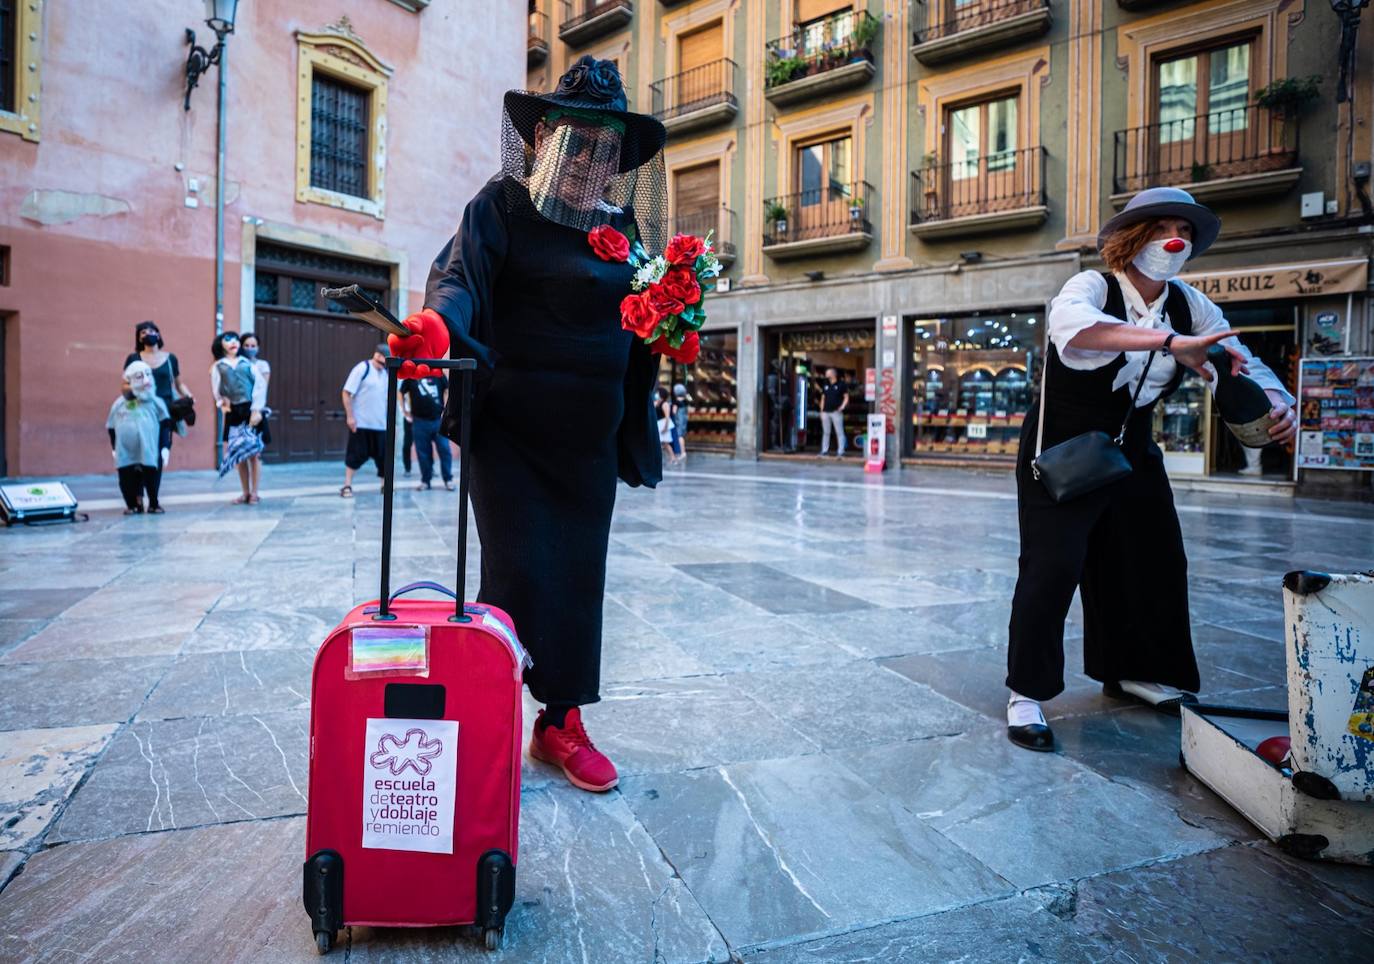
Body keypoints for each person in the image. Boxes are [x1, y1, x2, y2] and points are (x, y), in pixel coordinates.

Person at [387, 56, 667, 792]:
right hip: (511, 437)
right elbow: (458, 281)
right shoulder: (501, 205)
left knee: (577, 580)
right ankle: (490, 718)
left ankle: (559, 724)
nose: (587, 160)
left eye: (603, 148)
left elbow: (642, 316)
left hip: (589, 444)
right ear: (543, 139)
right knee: (515, 576)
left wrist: (673, 319)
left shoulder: (623, 226)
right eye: (576, 141)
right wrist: (436, 328)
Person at [1004, 187, 1298, 752]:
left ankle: (1133, 670)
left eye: (1184, 231)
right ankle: (1026, 692)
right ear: (1132, 238)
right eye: (1163, 227)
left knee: (1153, 556)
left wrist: (1279, 403)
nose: (1175, 239)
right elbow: (1074, 329)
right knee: (1053, 564)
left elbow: (1241, 360)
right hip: (1064, 445)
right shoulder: (1092, 286)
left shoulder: (1190, 303)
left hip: (1132, 444)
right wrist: (1171, 342)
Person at [210, 331, 267, 505]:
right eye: (228, 340)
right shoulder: (218, 366)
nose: (233, 342)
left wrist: (257, 409)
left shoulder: (247, 363)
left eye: (235, 339)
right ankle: (245, 492)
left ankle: (255, 492)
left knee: (254, 454)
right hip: (234, 411)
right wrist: (222, 403)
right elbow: (216, 388)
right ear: (221, 344)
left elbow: (260, 385)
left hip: (251, 409)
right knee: (239, 455)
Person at [125, 321, 194, 464]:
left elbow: (179, 384)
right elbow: (125, 384)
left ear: (158, 335)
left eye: (151, 331)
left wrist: (188, 395)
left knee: (162, 450)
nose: (148, 334)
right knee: (143, 448)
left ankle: (156, 472)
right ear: (139, 338)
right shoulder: (133, 359)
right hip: (142, 409)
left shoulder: (170, 359)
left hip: (166, 410)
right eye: (143, 332)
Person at [108, 360, 169, 514]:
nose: (146, 380)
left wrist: (165, 447)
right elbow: (111, 426)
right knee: (126, 478)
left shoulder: (156, 403)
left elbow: (165, 424)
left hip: (149, 449)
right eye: (139, 376)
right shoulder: (119, 404)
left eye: (148, 375)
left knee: (151, 476)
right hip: (125, 451)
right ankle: (133, 504)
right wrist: (114, 447)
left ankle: (153, 503)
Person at [340, 344, 391, 498]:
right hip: (361, 423)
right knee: (354, 456)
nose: (383, 365)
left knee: (384, 458)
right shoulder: (362, 369)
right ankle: (347, 485)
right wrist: (350, 416)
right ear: (377, 355)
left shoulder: (386, 373)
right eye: (382, 361)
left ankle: (385, 486)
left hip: (381, 425)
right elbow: (346, 392)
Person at [402, 372, 454, 490]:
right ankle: (426, 481)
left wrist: (446, 410)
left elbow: (447, 390)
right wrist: (404, 410)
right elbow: (401, 392)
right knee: (423, 453)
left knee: (445, 450)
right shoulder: (412, 374)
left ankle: (448, 479)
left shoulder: (438, 372)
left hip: (438, 420)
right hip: (419, 421)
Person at [818, 367, 848, 457]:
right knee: (826, 432)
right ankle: (824, 450)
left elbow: (846, 397)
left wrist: (842, 406)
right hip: (825, 412)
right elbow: (823, 398)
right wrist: (821, 411)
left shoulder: (841, 384)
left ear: (833, 374)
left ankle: (841, 451)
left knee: (839, 431)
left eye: (828, 373)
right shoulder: (825, 384)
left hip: (836, 411)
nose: (826, 374)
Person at [656, 389, 677, 465]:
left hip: (663, 424)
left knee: (666, 443)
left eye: (658, 393)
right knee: (663, 443)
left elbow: (667, 417)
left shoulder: (665, 404)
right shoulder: (658, 403)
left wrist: (665, 427)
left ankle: (673, 458)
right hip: (659, 424)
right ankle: (672, 458)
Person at [671, 382, 689, 463]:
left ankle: (683, 452)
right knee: (682, 435)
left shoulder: (676, 402)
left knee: (679, 436)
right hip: (684, 420)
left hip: (678, 420)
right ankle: (683, 451)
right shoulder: (685, 401)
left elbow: (674, 412)